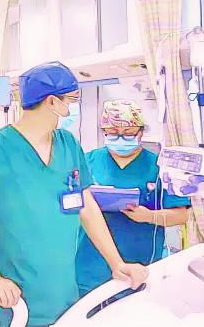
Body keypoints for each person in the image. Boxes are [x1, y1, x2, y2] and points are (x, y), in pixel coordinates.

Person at [0, 61, 148, 327]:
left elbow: (86, 206)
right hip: (11, 293)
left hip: (61, 292)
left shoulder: (68, 144)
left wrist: (116, 263)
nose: (71, 108)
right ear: (51, 102)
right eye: (70, 100)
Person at [76, 100, 190, 296]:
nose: (120, 138)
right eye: (112, 133)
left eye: (128, 133)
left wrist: (148, 216)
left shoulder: (159, 166)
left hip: (140, 263)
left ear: (141, 132)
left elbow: (181, 216)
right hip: (91, 261)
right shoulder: (88, 161)